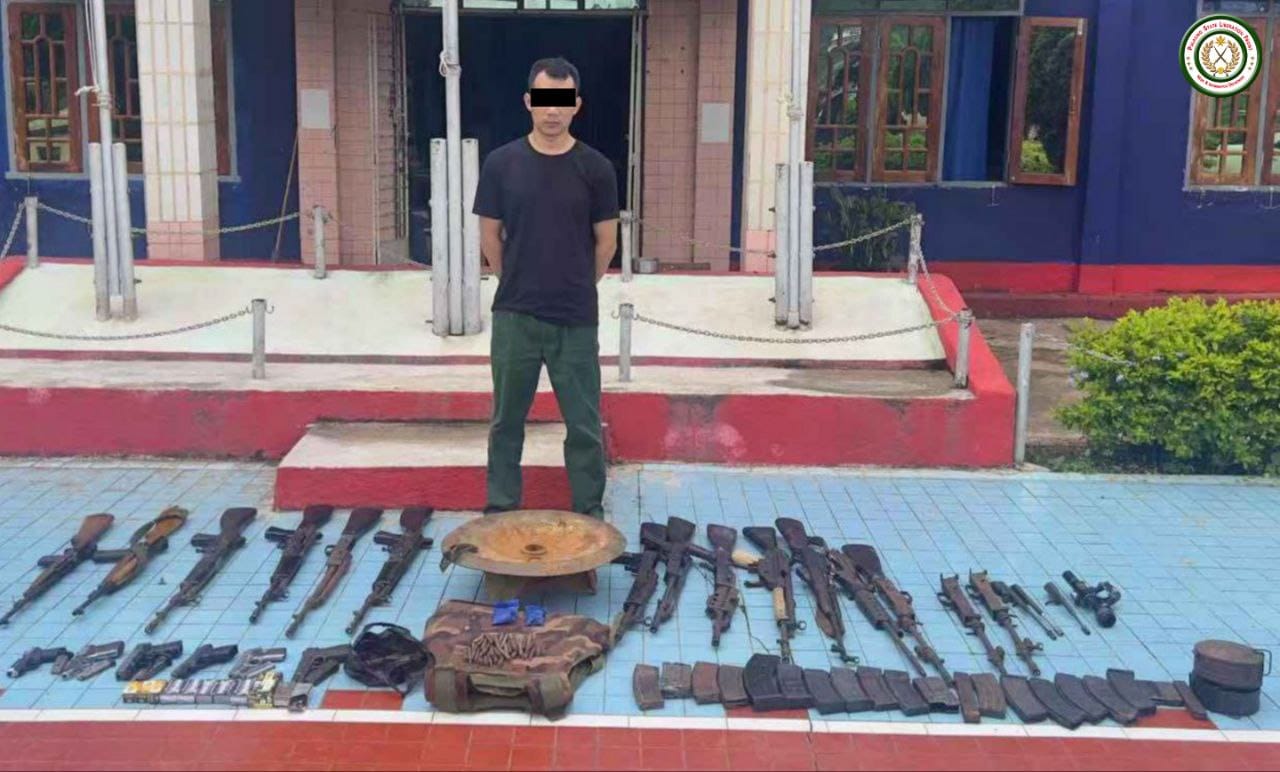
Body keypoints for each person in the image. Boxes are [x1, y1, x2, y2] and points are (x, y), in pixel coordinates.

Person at [472, 57, 619, 519]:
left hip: (575, 319)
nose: (552, 110)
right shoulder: (501, 164)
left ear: (576, 105)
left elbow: (606, 242)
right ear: (528, 102)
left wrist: (575, 284)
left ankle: (589, 514)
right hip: (514, 316)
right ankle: (500, 510)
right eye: (544, 100)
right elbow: (489, 236)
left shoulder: (596, 168)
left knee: (583, 426)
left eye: (562, 101)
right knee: (506, 422)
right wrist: (515, 278)